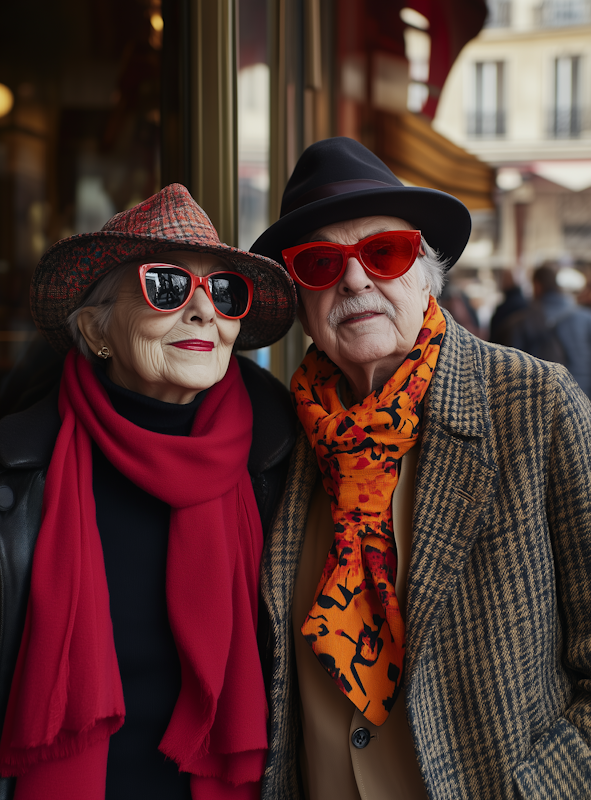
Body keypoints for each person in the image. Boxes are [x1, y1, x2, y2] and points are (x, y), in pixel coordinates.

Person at [250, 137, 591, 800]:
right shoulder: (280, 436)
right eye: (321, 263)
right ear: (299, 296)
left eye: (384, 252)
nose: (354, 280)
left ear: (425, 271)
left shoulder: (534, 404)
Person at [0, 184, 298, 800]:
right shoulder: (5, 484)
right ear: (97, 328)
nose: (203, 311)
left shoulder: (283, 465)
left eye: (223, 291)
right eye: (166, 286)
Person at [499, 263, 591, 397]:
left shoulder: (520, 322)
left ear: (537, 285)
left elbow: (510, 375)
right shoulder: (586, 318)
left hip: (542, 406)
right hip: (583, 402)